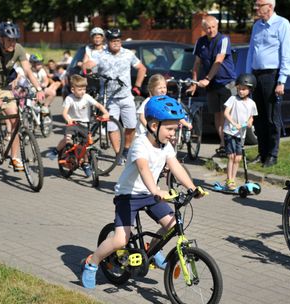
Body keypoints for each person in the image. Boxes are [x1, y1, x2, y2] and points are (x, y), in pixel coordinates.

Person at [80, 95, 203, 289]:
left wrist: (192, 188)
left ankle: (151, 251)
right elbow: (144, 168)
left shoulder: (166, 146)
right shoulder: (140, 144)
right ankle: (92, 263)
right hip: (128, 195)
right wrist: (156, 190)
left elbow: (176, 167)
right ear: (154, 126)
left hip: (149, 194)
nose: (174, 134)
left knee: (172, 224)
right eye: (170, 129)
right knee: (121, 239)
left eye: (175, 129)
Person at [0, 21, 45, 184]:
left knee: (15, 121)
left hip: (4, 87)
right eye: (9, 39)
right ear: (1, 38)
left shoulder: (18, 49)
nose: (13, 43)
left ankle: (14, 157)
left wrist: (39, 89)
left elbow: (27, 70)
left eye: (15, 39)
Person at [83, 28, 147, 165]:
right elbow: (88, 65)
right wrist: (87, 67)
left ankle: (126, 149)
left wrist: (137, 86)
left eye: (118, 40)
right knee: (112, 127)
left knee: (131, 126)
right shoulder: (100, 54)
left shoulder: (128, 54)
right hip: (109, 97)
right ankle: (118, 154)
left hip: (126, 96)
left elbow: (142, 68)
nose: (116, 43)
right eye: (113, 41)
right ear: (108, 42)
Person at [245, 0, 290, 167]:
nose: (256, 8)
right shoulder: (257, 26)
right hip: (256, 75)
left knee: (272, 118)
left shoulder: (282, 24)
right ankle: (262, 152)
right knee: (258, 117)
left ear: (270, 6)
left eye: (259, 5)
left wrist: (282, 81)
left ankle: (272, 155)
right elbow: (251, 51)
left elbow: (287, 53)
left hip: (272, 76)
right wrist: (247, 77)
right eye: (256, 4)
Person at [188, 15, 236, 157]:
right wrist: (194, 83)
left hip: (227, 82)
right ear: (203, 28)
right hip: (212, 86)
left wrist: (208, 78)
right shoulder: (200, 42)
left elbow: (219, 60)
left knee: (229, 115)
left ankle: (232, 146)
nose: (211, 30)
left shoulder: (223, 39)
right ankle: (223, 145)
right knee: (217, 115)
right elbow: (196, 64)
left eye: (213, 27)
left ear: (217, 26)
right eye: (208, 28)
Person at [48, 75, 109, 177]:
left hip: (84, 124)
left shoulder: (87, 97)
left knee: (85, 146)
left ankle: (85, 164)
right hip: (73, 123)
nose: (82, 91)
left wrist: (105, 113)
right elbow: (64, 112)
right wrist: (68, 119)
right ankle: (56, 150)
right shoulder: (69, 98)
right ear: (73, 89)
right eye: (80, 89)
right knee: (68, 139)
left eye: (84, 89)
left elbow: (98, 105)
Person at [223, 74, 258, 189]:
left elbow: (251, 117)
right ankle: (229, 180)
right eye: (239, 89)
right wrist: (234, 123)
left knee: (238, 158)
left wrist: (250, 122)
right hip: (229, 131)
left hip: (240, 134)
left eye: (244, 89)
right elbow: (226, 113)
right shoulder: (233, 99)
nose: (241, 91)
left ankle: (233, 178)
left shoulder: (252, 103)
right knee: (231, 156)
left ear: (250, 90)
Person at [28, 53, 59, 122]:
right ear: (32, 64)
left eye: (41, 63)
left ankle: (45, 106)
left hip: (40, 88)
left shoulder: (41, 70)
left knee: (52, 92)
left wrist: (44, 84)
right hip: (31, 90)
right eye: (38, 64)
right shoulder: (29, 71)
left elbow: (46, 80)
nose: (40, 66)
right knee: (32, 104)